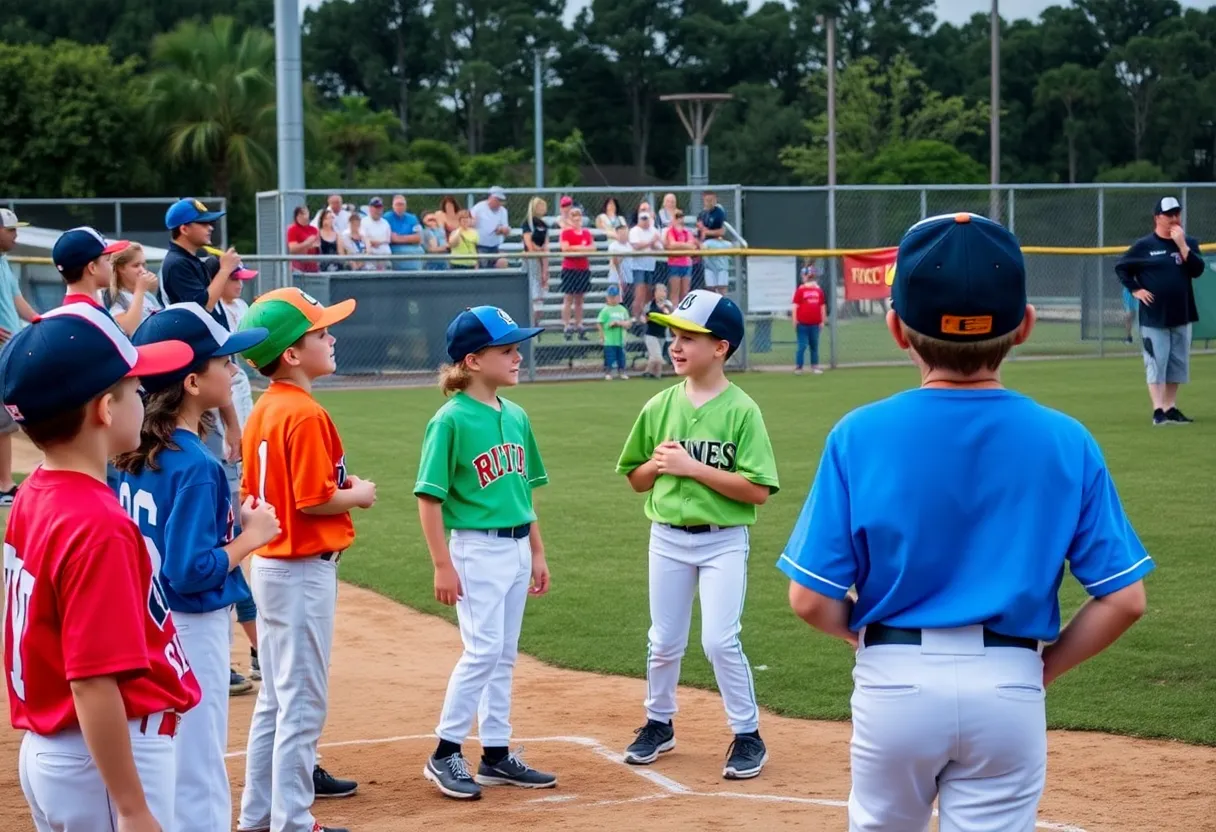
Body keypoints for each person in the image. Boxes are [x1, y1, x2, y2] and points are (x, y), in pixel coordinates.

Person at [778, 212, 1153, 831]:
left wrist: (869, 641)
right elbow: (1125, 600)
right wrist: (1039, 668)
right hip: (1009, 684)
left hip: (893, 679)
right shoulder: (1067, 440)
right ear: (1026, 326)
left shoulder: (860, 434)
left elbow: (809, 599)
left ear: (897, 329)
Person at [1, 303, 201, 830]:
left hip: (62, 752)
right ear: (105, 410)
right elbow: (92, 681)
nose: (144, 398)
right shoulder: (97, 523)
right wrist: (132, 807)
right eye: (136, 390)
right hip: (105, 761)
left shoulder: (35, 492)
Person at [112, 303, 278, 832]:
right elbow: (191, 571)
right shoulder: (198, 466)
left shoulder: (129, 453)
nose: (232, 369)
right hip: (191, 625)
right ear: (190, 382)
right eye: (222, 362)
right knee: (201, 765)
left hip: (144, 622)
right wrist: (250, 538)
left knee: (162, 755)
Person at [615, 290, 780, 781]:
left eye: (690, 337)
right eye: (675, 336)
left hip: (723, 539)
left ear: (721, 348)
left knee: (719, 641)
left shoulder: (742, 411)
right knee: (663, 640)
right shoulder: (659, 404)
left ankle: (748, 734)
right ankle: (658, 723)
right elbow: (635, 478)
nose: (677, 345)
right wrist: (656, 464)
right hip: (666, 536)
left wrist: (692, 467)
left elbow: (757, 491)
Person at [235, 287, 376, 832]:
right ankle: (291, 820)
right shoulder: (304, 412)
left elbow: (253, 494)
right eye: (319, 333)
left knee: (276, 699)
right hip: (300, 569)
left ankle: (259, 816)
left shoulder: (265, 408)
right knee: (300, 703)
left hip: (271, 565)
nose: (331, 336)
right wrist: (359, 494)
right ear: (291, 353)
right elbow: (314, 498)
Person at [415, 305, 554, 800]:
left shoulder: (515, 415)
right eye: (508, 350)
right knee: (482, 652)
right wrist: (441, 563)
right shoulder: (449, 420)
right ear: (473, 360)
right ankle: (444, 751)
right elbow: (429, 498)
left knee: (504, 654)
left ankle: (495, 753)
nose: (518, 357)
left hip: (516, 547)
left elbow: (524, 494)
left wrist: (536, 552)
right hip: (474, 549)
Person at [159, 198, 244, 464]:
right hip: (196, 365)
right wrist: (226, 269)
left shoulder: (191, 261)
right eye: (204, 223)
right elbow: (202, 306)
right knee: (209, 451)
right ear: (184, 228)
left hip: (211, 361)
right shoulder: (176, 263)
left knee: (222, 448)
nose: (210, 228)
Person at [1115, 196, 1206, 426]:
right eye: (1169, 215)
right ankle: (1158, 410)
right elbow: (1122, 267)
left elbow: (1198, 270)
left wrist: (1183, 246)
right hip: (1154, 316)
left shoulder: (1188, 243)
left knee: (1177, 363)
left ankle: (1170, 407)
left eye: (1177, 214)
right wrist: (1136, 289)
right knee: (1156, 362)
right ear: (1158, 218)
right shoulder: (1145, 246)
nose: (1174, 219)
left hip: (1182, 313)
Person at [0, 208, 39, 506]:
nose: (16, 235)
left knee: (7, 420)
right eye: (11, 230)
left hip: (9, 351)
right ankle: (4, 487)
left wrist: (41, 322)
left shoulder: (4, 262)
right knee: (4, 422)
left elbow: (17, 301)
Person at [52, 226, 131, 310]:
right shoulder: (89, 314)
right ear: (92, 268)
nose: (113, 267)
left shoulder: (78, 309)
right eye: (109, 260)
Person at [108, 243, 163, 335]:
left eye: (143, 265)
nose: (143, 270)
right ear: (121, 268)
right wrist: (140, 290)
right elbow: (130, 329)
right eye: (136, 265)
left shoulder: (147, 295)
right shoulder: (114, 297)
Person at [559, 207, 596, 340]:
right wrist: (581, 248)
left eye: (578, 215)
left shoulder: (586, 233)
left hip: (583, 268)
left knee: (580, 299)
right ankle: (567, 325)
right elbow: (565, 248)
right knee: (568, 298)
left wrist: (576, 249)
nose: (576, 218)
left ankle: (579, 324)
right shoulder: (566, 233)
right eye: (573, 216)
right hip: (569, 268)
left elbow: (592, 248)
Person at [628, 210, 663, 321]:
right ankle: (636, 318)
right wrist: (650, 242)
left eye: (646, 219)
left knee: (648, 293)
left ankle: (645, 317)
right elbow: (636, 245)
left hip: (650, 266)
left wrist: (651, 243)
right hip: (638, 267)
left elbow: (660, 247)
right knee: (639, 294)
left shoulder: (653, 230)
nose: (644, 221)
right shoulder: (634, 231)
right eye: (642, 219)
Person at [792, 265, 827, 375]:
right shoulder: (800, 290)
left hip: (815, 323)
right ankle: (799, 367)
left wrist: (822, 320)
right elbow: (795, 306)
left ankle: (815, 366)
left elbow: (822, 306)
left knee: (814, 345)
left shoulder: (818, 290)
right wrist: (795, 320)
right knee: (802, 346)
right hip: (802, 323)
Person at [696, 191, 730, 294]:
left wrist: (708, 232)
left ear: (715, 200)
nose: (709, 203)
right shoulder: (702, 214)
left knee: (721, 281)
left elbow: (722, 231)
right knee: (710, 284)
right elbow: (700, 232)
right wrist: (702, 233)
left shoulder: (719, 212)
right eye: (707, 200)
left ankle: (722, 303)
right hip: (707, 247)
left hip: (717, 244)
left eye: (711, 200)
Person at [471, 186, 511, 268]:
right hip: (480, 246)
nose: (499, 203)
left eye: (501, 201)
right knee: (482, 267)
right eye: (497, 200)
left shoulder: (503, 211)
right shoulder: (478, 208)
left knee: (503, 262)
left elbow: (505, 228)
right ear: (490, 197)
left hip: (495, 246)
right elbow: (470, 223)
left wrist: (503, 230)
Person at [662, 211, 697, 304]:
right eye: (676, 217)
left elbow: (692, 246)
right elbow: (672, 244)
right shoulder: (670, 231)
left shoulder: (687, 232)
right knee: (675, 293)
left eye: (681, 217)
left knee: (685, 293)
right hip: (674, 264)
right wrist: (685, 246)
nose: (679, 219)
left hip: (687, 264)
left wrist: (678, 245)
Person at [598, 284, 632, 380]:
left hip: (620, 339)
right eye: (611, 297)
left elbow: (628, 323)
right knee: (609, 357)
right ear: (607, 298)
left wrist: (619, 323)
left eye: (615, 297)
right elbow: (600, 323)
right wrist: (602, 336)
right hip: (609, 340)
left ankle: (621, 371)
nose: (613, 299)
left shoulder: (622, 310)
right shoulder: (605, 310)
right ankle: (608, 372)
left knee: (621, 357)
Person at [642, 283, 673, 379]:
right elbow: (645, 317)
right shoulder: (650, 305)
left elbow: (670, 316)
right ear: (654, 293)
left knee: (654, 357)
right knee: (657, 357)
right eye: (659, 291)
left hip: (662, 334)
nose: (662, 293)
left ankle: (655, 374)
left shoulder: (668, 304)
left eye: (664, 291)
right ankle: (647, 372)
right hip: (651, 334)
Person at [386, 194, 424, 271]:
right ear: (393, 206)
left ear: (406, 206)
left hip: (413, 247)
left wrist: (398, 238)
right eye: (397, 204)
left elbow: (418, 238)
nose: (400, 207)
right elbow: (390, 238)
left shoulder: (412, 218)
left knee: (420, 250)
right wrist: (409, 238)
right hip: (394, 248)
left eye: (402, 204)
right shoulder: (387, 217)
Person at [286, 205, 321, 274]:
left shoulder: (314, 230)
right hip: (298, 266)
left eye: (305, 213)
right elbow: (292, 249)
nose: (304, 217)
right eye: (301, 214)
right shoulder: (292, 229)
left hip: (312, 265)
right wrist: (307, 243)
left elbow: (317, 246)